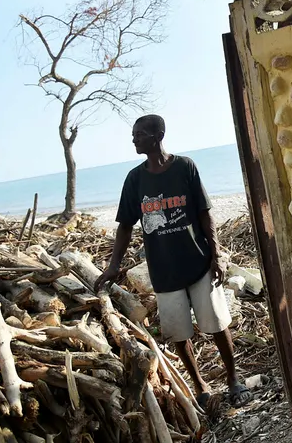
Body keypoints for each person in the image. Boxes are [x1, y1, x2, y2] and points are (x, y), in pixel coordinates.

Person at [95, 114, 251, 407]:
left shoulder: (185, 167)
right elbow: (125, 226)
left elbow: (205, 213)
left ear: (158, 135)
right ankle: (201, 387)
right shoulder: (135, 179)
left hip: (199, 263)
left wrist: (216, 254)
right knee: (179, 334)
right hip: (164, 271)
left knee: (217, 324)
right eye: (134, 134)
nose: (134, 139)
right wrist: (113, 265)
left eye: (139, 134)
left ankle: (233, 380)